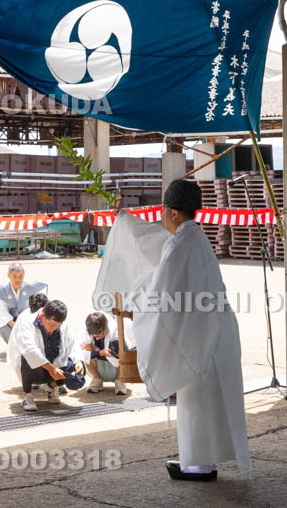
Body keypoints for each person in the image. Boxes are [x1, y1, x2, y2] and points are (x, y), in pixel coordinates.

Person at [132, 179, 250, 481]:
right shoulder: (197, 238)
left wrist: (137, 302)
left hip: (199, 336)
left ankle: (197, 466)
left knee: (196, 402)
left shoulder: (180, 244)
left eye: (163, 211)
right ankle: (203, 462)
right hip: (216, 330)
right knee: (212, 400)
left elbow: (162, 292)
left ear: (171, 212)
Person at [11, 299, 84, 412]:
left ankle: (51, 386)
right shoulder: (27, 321)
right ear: (43, 315)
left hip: (54, 364)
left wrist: (79, 361)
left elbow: (72, 344)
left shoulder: (64, 324)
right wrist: (51, 368)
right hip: (35, 370)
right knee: (27, 357)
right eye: (50, 325)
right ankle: (27, 395)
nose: (52, 329)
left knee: (73, 368)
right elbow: (29, 349)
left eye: (57, 326)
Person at [0, 263, 48, 343]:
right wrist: (15, 325)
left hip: (28, 321)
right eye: (14, 276)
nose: (18, 279)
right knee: (2, 327)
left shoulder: (31, 288)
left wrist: (27, 324)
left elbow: (38, 308)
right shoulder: (2, 291)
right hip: (10, 324)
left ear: (24, 275)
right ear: (8, 275)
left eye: (20, 276)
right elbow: (1, 312)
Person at [82, 311, 127, 395]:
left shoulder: (116, 330)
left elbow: (123, 356)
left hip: (117, 367)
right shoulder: (86, 330)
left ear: (106, 327)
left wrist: (98, 352)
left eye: (100, 335)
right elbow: (80, 355)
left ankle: (120, 381)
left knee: (122, 353)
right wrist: (97, 353)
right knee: (86, 351)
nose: (97, 339)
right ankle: (97, 379)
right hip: (100, 367)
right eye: (95, 336)